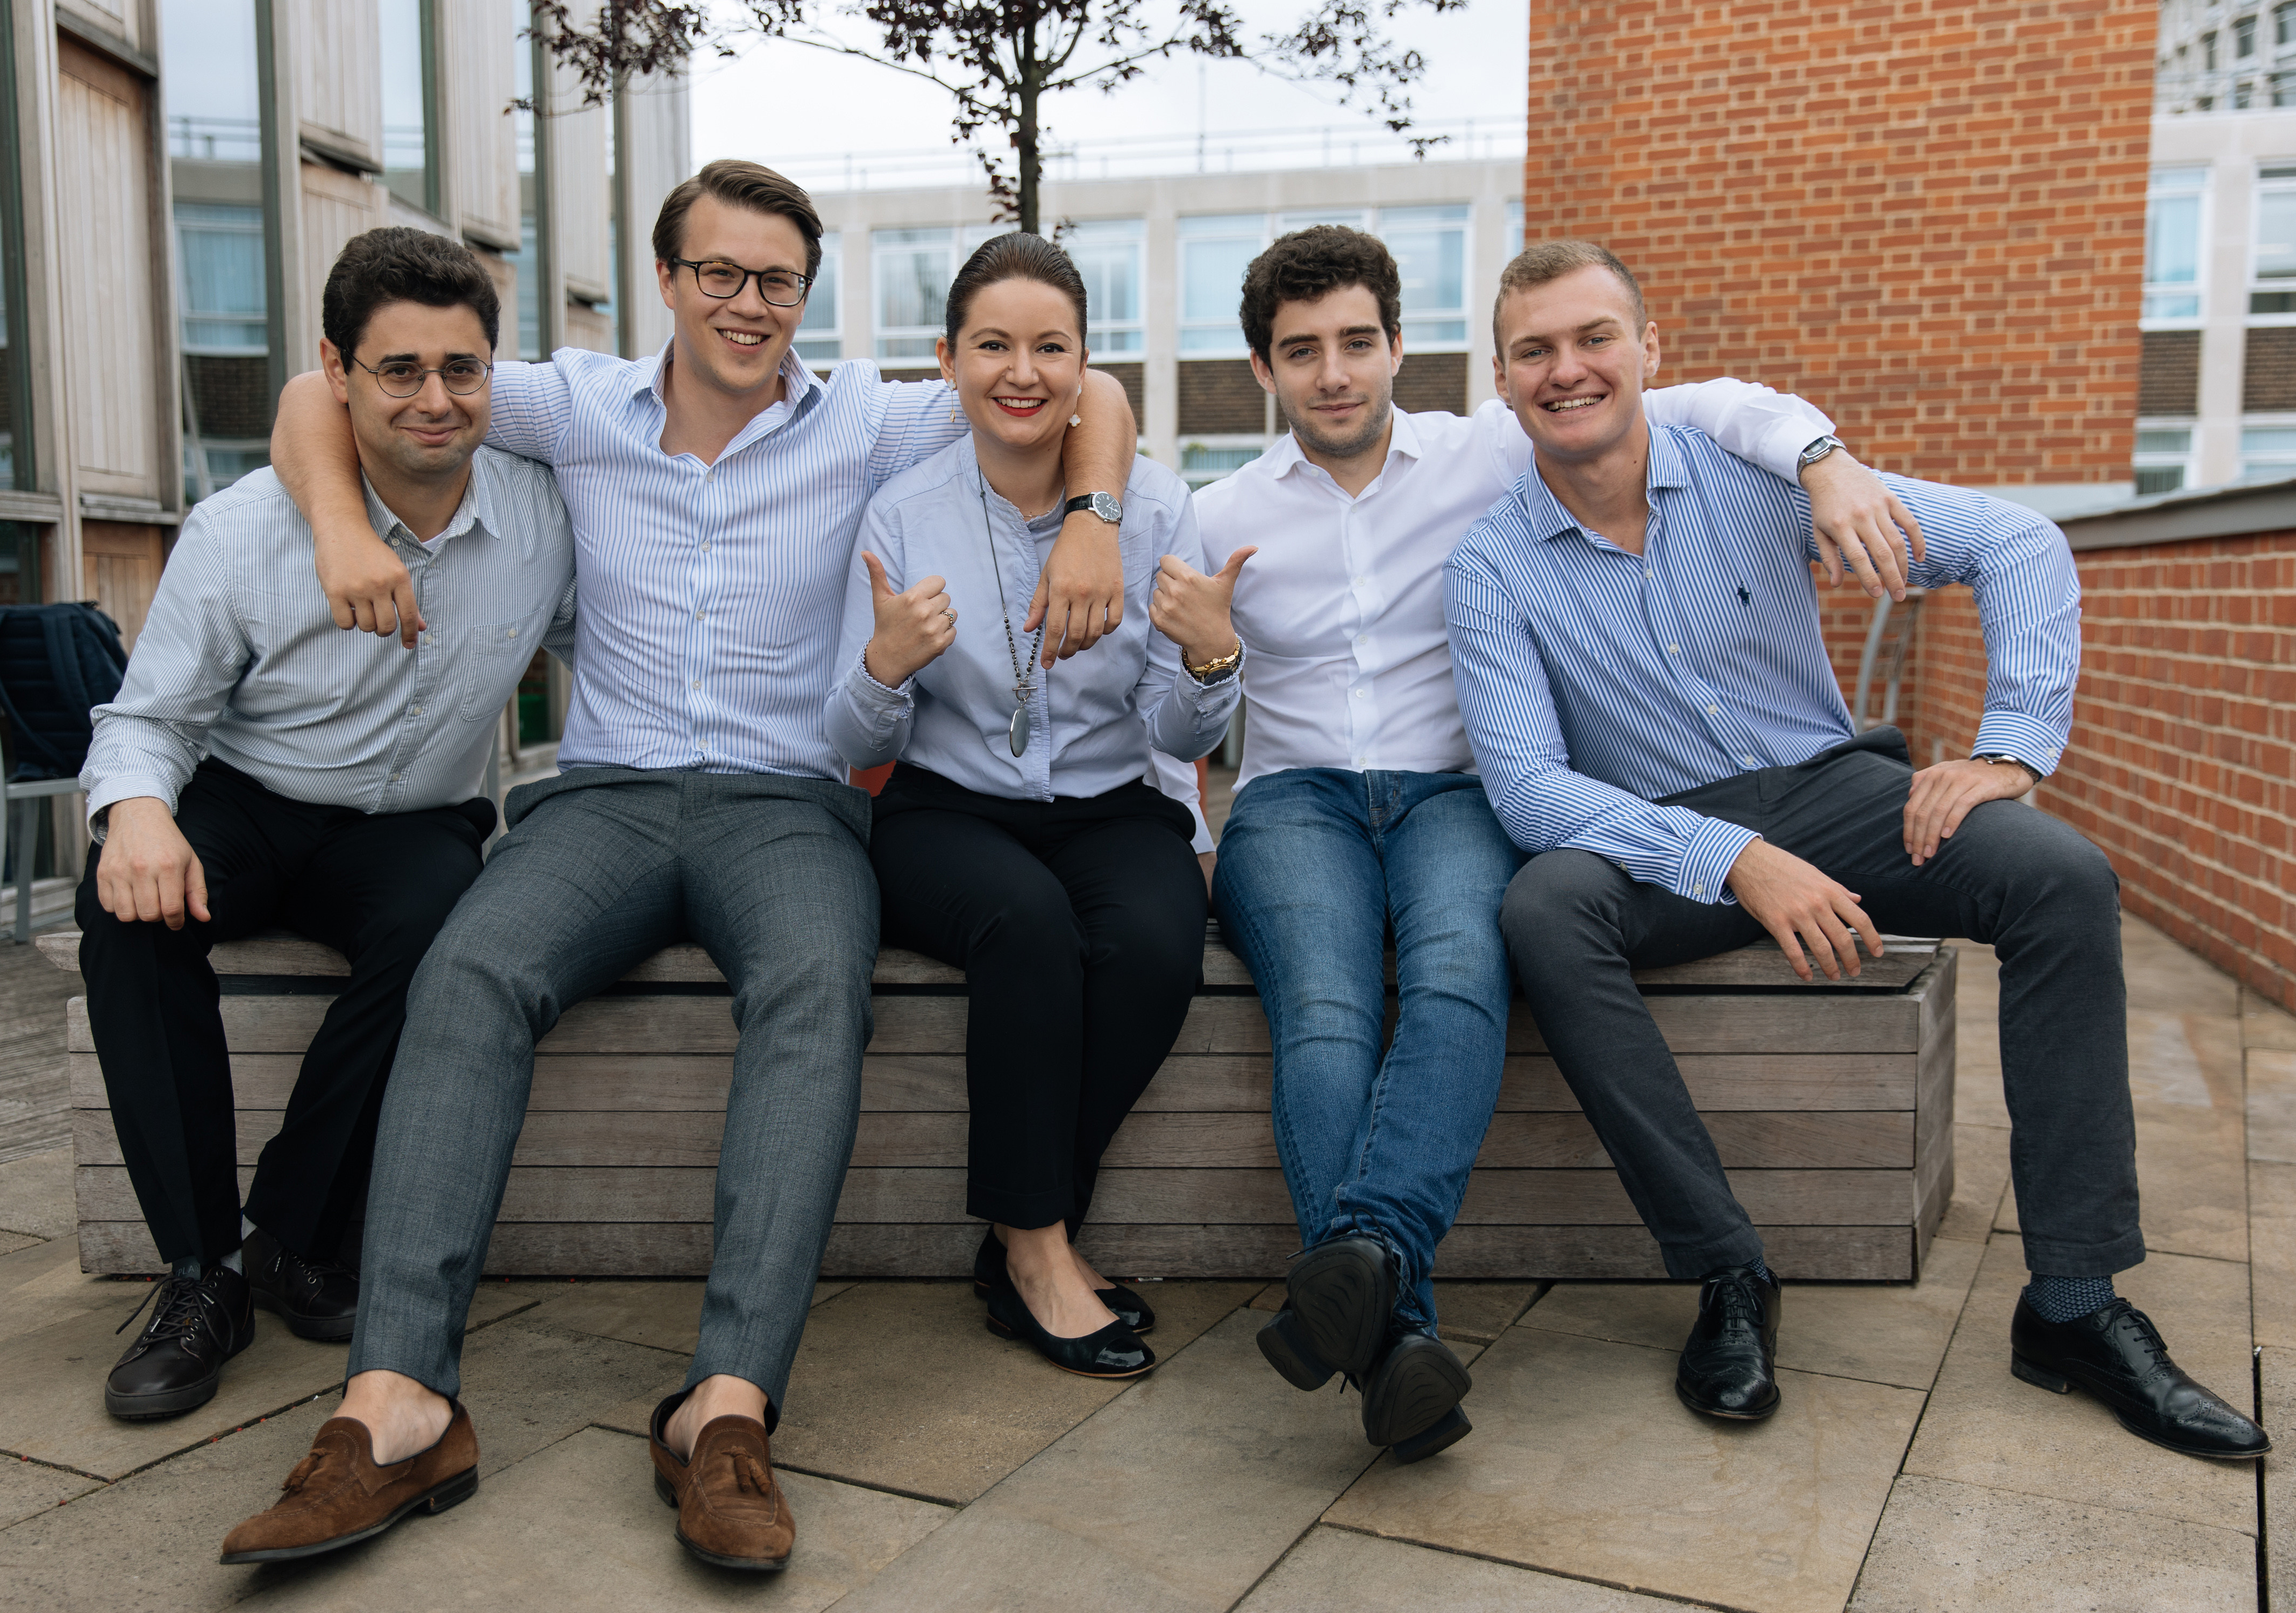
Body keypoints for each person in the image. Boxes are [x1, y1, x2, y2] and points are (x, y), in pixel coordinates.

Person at [219, 161, 1144, 1575]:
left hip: (786, 803)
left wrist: (1093, 520)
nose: (747, 302)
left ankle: (723, 1409)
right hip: (606, 798)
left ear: (805, 293)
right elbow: (316, 391)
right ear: (666, 279)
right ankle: (398, 1403)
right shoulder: (575, 405)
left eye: (776, 278)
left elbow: (1087, 393)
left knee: (819, 987)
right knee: (466, 968)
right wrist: (343, 527)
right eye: (718, 271)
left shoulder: (863, 421)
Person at [1446, 238, 2268, 1460]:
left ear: (1647, 352)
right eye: (1535, 352)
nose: (1568, 370)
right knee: (1541, 908)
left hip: (1833, 790)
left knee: (2063, 880)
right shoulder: (1490, 565)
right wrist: (1728, 855)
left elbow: (2021, 546)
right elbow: (1524, 786)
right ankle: (1728, 1275)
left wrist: (2008, 751)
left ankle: (2077, 1308)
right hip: (1659, 839)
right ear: (1504, 381)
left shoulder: (1757, 477)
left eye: (1592, 338)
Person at [1196, 224, 1921, 1461]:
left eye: (1356, 344)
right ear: (1263, 370)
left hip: (1457, 793)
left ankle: (1369, 1300)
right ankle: (1396, 1329)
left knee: (1461, 976)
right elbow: (1186, 725)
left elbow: (1702, 400)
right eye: (1300, 352)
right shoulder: (1218, 512)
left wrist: (1822, 458)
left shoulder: (1488, 447)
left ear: (1396, 349)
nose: (1333, 374)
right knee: (1323, 1010)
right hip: (1295, 798)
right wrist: (1209, 655)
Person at [73, 229, 573, 1422]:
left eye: (463, 369)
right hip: (248, 798)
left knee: (451, 929)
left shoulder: (547, 516)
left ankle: (292, 1239)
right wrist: (136, 813)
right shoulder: (247, 531)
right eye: (399, 370)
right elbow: (150, 716)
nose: (436, 399)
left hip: (414, 822)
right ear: (335, 373)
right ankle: (201, 1277)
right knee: (126, 919)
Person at [826, 233, 1245, 1381]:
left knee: (1160, 945)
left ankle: (1026, 1224)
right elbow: (853, 737)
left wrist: (1211, 666)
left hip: (1112, 803)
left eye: (1051, 346)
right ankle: (1039, 1255)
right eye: (994, 345)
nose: (1024, 371)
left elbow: (1173, 736)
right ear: (948, 360)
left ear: (1083, 365)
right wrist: (885, 670)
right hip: (942, 810)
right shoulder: (904, 511)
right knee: (1027, 925)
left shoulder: (1153, 507)